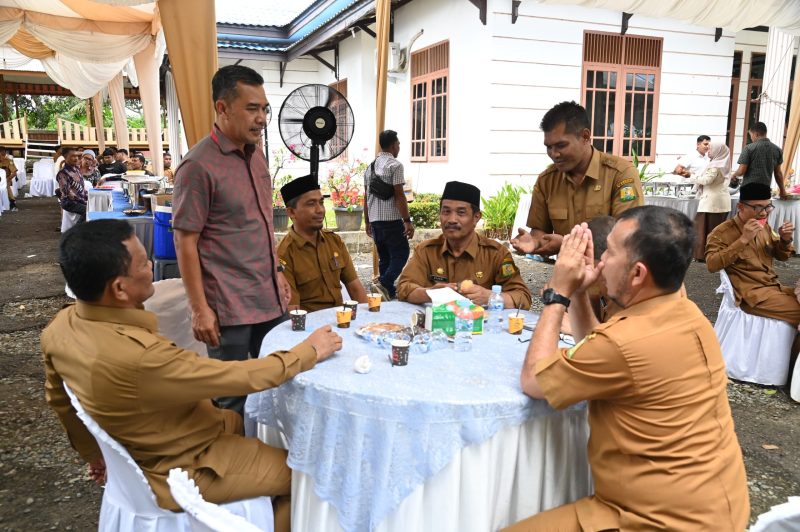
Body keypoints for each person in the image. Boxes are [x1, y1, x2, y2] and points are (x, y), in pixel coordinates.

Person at [43, 219, 343, 532]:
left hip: (150, 449)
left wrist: (98, 455)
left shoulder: (61, 328)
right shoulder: (140, 357)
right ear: (119, 288)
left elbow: (61, 402)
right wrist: (308, 351)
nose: (150, 266)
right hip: (186, 464)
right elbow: (235, 376)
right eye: (144, 263)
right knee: (311, 477)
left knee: (246, 423)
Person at [511, 206, 749, 530]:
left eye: (609, 251)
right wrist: (581, 292)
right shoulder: (685, 311)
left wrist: (558, 293)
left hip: (657, 521)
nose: (601, 261)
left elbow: (534, 380)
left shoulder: (623, 343)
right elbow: (597, 347)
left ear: (637, 274)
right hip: (719, 509)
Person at [173, 65, 292, 418]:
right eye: (252, 109)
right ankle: (236, 470)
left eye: (265, 109)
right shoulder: (197, 166)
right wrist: (199, 308)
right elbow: (185, 242)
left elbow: (259, 226)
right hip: (229, 307)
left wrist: (279, 271)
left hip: (269, 298)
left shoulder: (256, 156)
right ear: (222, 109)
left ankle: (274, 462)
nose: (262, 119)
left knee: (280, 386)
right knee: (234, 400)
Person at [511, 101, 644, 257]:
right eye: (548, 147)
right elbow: (540, 232)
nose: (554, 154)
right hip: (568, 274)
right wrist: (535, 242)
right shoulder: (546, 181)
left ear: (585, 137)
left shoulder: (621, 174)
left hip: (610, 275)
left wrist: (567, 245)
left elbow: (627, 237)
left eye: (561, 145)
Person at [396, 181, 532, 308]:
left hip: (481, 328)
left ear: (476, 217)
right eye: (446, 211)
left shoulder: (495, 254)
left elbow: (523, 297)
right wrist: (431, 293)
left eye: (461, 213)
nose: (452, 219)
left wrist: (491, 297)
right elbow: (404, 288)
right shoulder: (426, 251)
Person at [706, 182, 800, 326]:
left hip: (774, 288)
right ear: (740, 207)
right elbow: (711, 264)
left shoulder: (764, 226)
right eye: (757, 207)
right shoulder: (721, 233)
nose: (763, 213)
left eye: (767, 207)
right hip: (752, 296)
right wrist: (743, 240)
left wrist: (785, 240)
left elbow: (782, 256)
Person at [278, 175, 368, 311]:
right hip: (311, 328)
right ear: (291, 212)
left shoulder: (334, 241)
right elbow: (294, 312)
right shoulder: (284, 254)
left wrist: (369, 321)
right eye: (311, 204)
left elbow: (355, 288)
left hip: (341, 320)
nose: (320, 210)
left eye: (321, 202)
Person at [363, 129, 413, 300]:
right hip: (391, 221)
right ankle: (384, 283)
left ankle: (387, 294)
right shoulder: (395, 166)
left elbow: (366, 197)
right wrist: (407, 221)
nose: (399, 147)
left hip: (376, 221)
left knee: (384, 258)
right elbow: (399, 195)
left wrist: (367, 221)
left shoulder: (369, 168)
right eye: (398, 144)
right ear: (393, 145)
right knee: (401, 253)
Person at [688, 142, 733, 261]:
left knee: (705, 229)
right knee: (713, 230)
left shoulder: (715, 165)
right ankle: (710, 255)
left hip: (712, 203)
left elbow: (706, 180)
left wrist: (690, 175)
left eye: (711, 148)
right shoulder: (723, 163)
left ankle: (705, 255)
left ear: (718, 151)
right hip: (718, 203)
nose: (709, 150)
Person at [731, 121, 786, 198]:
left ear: (756, 134)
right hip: (765, 189)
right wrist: (782, 190)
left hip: (749, 189)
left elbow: (741, 171)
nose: (751, 138)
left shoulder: (748, 148)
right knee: (762, 210)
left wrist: (733, 175)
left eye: (751, 135)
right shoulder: (777, 150)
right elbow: (778, 173)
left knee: (748, 209)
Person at [56, 147, 87, 222]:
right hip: (69, 202)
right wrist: (84, 201)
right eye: (72, 156)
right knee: (88, 211)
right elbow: (68, 193)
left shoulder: (76, 169)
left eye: (77, 156)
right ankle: (76, 232)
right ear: (65, 157)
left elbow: (82, 187)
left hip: (80, 199)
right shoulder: (63, 173)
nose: (76, 158)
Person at [0, 145, 18, 211]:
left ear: (4, 152)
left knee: (6, 185)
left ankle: (12, 202)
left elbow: (14, 173)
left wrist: (8, 179)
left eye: (1, 153)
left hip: (5, 179)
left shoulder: (9, 161)